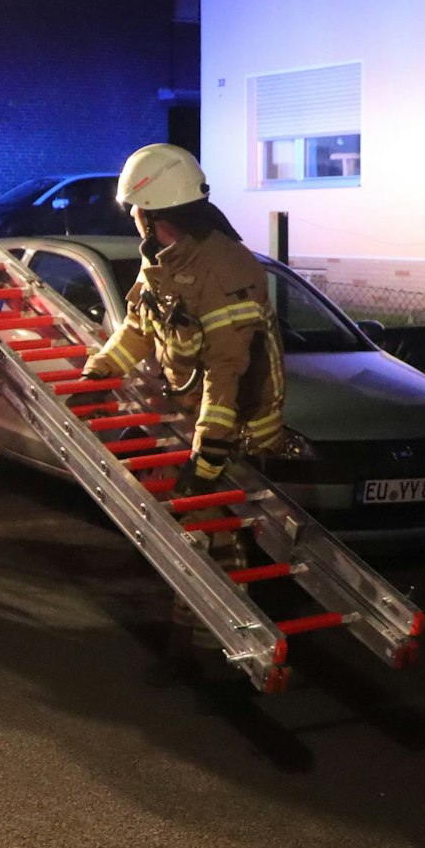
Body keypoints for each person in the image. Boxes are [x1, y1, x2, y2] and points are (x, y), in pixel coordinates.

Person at [80, 143, 285, 677]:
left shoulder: (225, 267)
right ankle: (195, 640)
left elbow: (228, 370)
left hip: (232, 422)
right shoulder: (163, 262)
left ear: (152, 212)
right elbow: (140, 328)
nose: (134, 222)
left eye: (136, 213)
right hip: (191, 415)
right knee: (196, 531)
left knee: (211, 531)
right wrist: (102, 368)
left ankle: (212, 652)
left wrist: (209, 453)